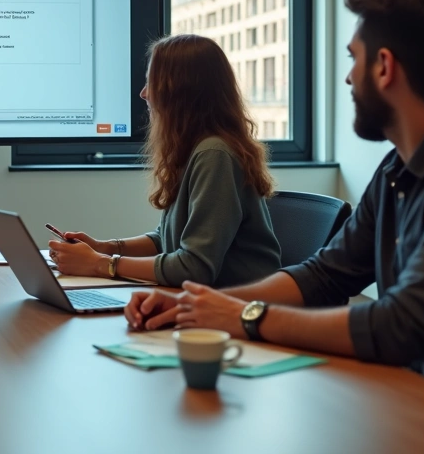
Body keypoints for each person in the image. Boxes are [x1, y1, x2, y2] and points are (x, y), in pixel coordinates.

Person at [126, 0, 424, 432]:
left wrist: (246, 316)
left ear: (384, 67)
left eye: (354, 58)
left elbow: (400, 327)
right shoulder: (398, 169)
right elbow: (325, 275)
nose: (349, 77)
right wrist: (199, 306)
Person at [48, 34, 281, 287]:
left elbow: (194, 267)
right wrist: (104, 248)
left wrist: (100, 264)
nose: (144, 93)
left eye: (152, 83)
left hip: (234, 303)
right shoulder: (194, 149)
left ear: (180, 92)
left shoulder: (215, 155)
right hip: (200, 296)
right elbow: (166, 240)